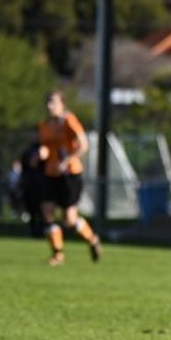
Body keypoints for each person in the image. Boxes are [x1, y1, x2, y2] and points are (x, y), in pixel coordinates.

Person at [37, 90, 102, 266]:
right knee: (47, 212)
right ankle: (57, 254)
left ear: (62, 104)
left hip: (70, 174)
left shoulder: (68, 121)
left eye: (53, 102)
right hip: (51, 174)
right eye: (48, 102)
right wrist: (41, 153)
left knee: (70, 220)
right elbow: (45, 147)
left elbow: (83, 145)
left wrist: (66, 161)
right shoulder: (44, 125)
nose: (50, 106)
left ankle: (92, 239)